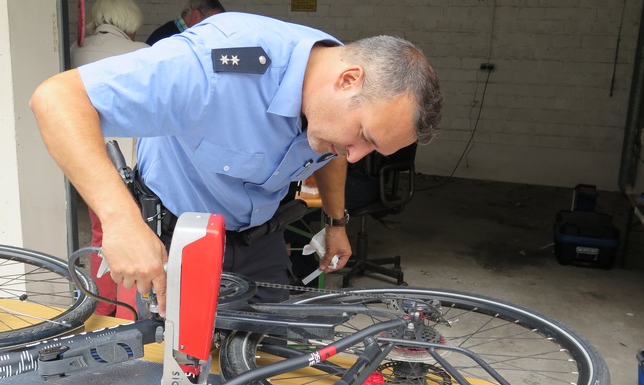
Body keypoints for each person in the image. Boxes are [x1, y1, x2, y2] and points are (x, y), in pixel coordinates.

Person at [30, 12, 443, 317]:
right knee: (168, 367)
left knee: (259, 362)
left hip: (258, 239)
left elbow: (331, 149)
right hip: (174, 237)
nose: (355, 156)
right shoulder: (216, 66)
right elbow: (57, 99)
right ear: (348, 80)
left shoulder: (331, 90)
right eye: (365, 137)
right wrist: (121, 222)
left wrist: (336, 222)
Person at [70, 0, 149, 319]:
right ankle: (128, 316)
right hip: (130, 165)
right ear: (128, 23)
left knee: (101, 235)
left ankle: (99, 310)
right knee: (135, 239)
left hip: (90, 163)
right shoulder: (142, 52)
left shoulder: (76, 50)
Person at [145, 0, 225, 46]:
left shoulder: (168, 32)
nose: (215, 27)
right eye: (212, 21)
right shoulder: (169, 39)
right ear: (196, 15)